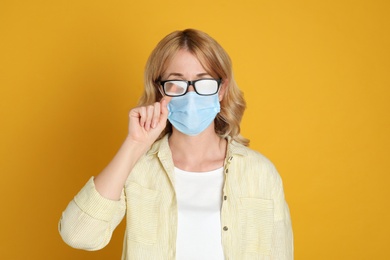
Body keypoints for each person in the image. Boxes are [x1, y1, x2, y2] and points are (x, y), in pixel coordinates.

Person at [59, 28, 293, 259]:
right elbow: (79, 235)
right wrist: (134, 145)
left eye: (204, 82)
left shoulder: (260, 173)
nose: (191, 95)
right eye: (176, 83)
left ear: (221, 89)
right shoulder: (138, 169)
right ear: (160, 89)